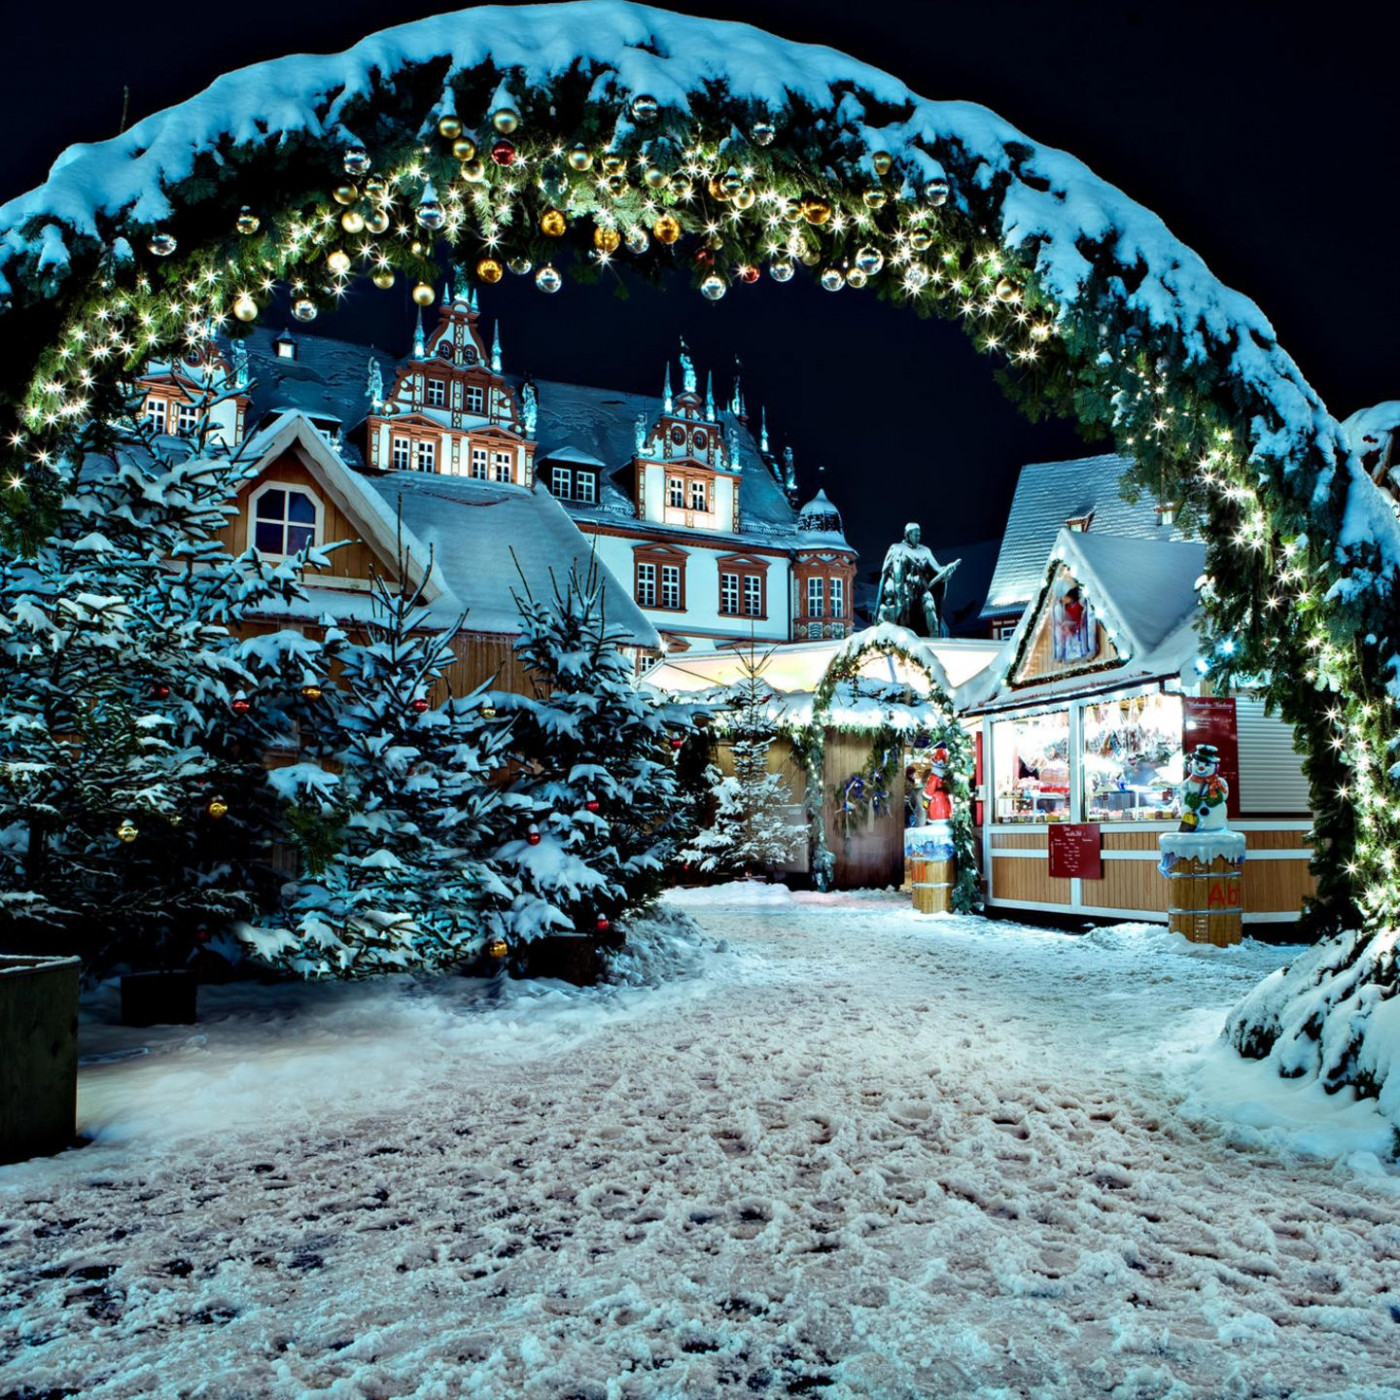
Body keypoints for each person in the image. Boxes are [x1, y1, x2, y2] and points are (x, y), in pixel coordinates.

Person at [875, 523, 959, 637]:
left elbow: (936, 569)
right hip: (902, 592)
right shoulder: (896, 548)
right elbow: (886, 573)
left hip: (921, 589)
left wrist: (946, 571)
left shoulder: (925, 551)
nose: (918, 538)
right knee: (900, 617)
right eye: (915, 535)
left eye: (919, 535)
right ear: (908, 535)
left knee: (930, 606)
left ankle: (934, 638)